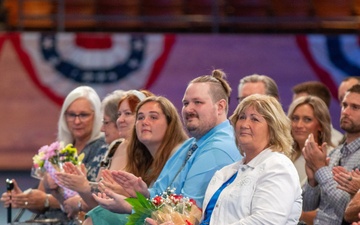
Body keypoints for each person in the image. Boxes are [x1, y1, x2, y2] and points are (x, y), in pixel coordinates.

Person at [89, 69, 241, 225]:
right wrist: (143, 192)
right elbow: (162, 194)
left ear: (220, 107)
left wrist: (129, 206)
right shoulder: (193, 143)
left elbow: (185, 212)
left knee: (102, 216)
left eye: (198, 102)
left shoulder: (219, 148)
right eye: (185, 103)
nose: (188, 109)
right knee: (101, 213)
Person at [147, 94, 302, 225]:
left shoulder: (278, 166)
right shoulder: (227, 172)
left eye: (254, 119)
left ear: (273, 128)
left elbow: (266, 221)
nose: (244, 124)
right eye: (242, 117)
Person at [1, 86, 107, 223]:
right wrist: (23, 199)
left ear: (97, 116)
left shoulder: (104, 148)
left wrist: (47, 201)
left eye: (83, 115)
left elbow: (97, 201)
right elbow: (41, 200)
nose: (77, 121)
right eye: (71, 114)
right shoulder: (58, 150)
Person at [83, 95, 189, 225]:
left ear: (170, 123)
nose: (145, 122)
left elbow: (178, 209)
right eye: (140, 117)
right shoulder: (144, 159)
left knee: (101, 214)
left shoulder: (180, 154)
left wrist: (129, 199)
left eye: (153, 117)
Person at [55, 90, 152, 216]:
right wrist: (82, 188)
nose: (120, 120)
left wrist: (83, 191)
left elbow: (153, 202)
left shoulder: (152, 150)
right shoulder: (116, 147)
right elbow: (99, 204)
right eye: (119, 114)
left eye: (127, 113)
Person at [302, 84, 360, 224]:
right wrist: (312, 181)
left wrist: (321, 169)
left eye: (355, 107)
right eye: (344, 105)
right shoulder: (334, 152)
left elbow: (348, 211)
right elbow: (307, 205)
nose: (346, 111)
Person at [288, 95, 334, 186]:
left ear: (320, 125)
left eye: (307, 120)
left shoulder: (332, 156)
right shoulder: (284, 155)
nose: (299, 125)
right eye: (295, 118)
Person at [292, 80, 343, 146]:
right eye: (294, 104)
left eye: (307, 119)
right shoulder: (288, 146)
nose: (295, 108)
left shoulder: (337, 146)